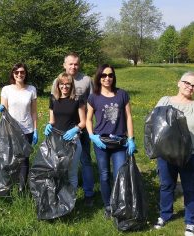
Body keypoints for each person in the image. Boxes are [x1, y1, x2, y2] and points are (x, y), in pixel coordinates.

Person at [152, 72, 194, 236]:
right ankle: (165, 215)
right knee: (166, 185)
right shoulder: (165, 100)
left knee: (190, 188)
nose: (190, 87)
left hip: (191, 155)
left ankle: (191, 222)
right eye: (187, 83)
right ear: (179, 83)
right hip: (167, 154)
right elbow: (154, 121)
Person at [86, 64, 136, 218]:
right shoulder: (93, 96)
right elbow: (88, 119)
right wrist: (91, 135)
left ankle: (119, 204)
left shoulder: (122, 94)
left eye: (110, 75)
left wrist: (131, 138)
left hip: (119, 142)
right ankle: (108, 205)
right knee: (104, 175)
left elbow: (128, 117)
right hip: (101, 141)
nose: (107, 78)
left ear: (114, 77)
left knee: (119, 174)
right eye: (103, 75)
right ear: (99, 78)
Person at [51, 52, 95, 206]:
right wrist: (51, 126)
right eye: (70, 64)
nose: (73, 66)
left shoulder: (86, 80)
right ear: (64, 65)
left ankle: (89, 192)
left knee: (85, 159)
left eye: (76, 64)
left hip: (81, 129)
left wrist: (86, 125)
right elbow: (54, 103)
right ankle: (61, 193)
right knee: (62, 163)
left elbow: (93, 102)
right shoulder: (58, 79)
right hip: (62, 131)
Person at [0, 63, 38, 192]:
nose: (19, 74)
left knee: (24, 159)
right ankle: (9, 183)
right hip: (11, 129)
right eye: (16, 72)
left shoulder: (31, 89)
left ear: (25, 74)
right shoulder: (6, 89)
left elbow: (34, 112)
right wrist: (1, 108)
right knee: (11, 158)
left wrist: (35, 130)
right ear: (13, 74)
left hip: (27, 129)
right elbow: (4, 108)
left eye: (22, 72)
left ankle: (21, 187)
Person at [45, 72, 86, 192]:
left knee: (71, 173)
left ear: (71, 85)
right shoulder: (53, 99)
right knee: (56, 170)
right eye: (62, 84)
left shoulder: (78, 99)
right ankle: (57, 197)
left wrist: (75, 129)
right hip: (56, 140)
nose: (65, 87)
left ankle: (71, 201)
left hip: (72, 140)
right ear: (57, 85)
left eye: (68, 84)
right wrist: (48, 125)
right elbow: (52, 120)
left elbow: (83, 122)